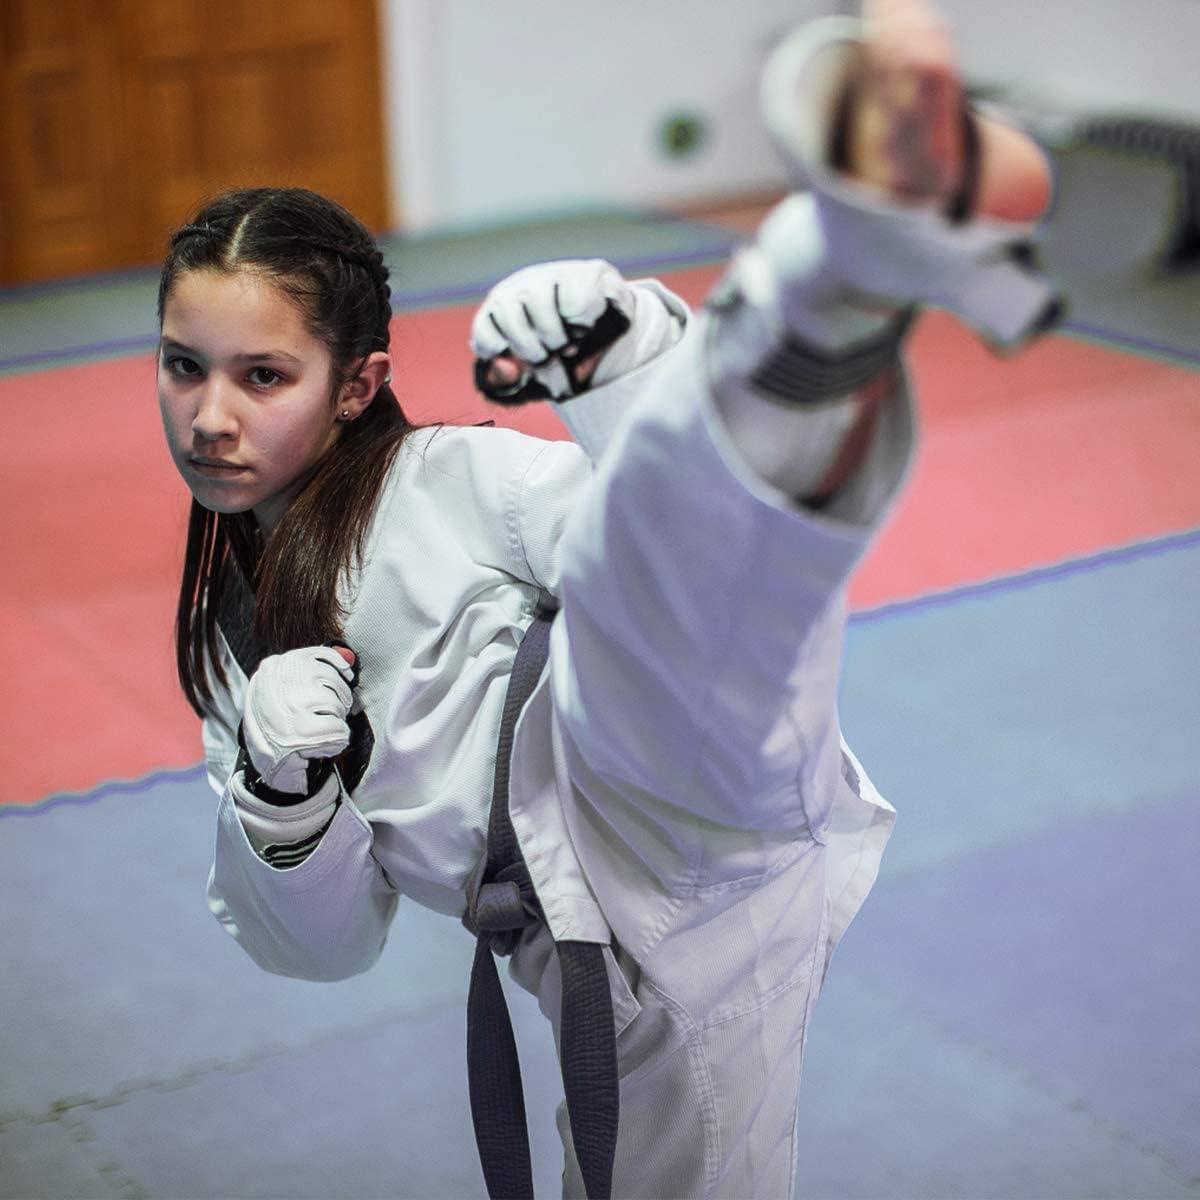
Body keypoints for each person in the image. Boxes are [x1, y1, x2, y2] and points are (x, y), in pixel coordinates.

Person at [158, 2, 1058, 1196]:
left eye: (261, 374)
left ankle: (824, 291)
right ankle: (830, 298)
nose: (211, 414)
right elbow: (328, 948)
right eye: (183, 366)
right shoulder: (232, 651)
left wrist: (633, 372)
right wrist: (281, 806)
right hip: (586, 943)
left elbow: (654, 554)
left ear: (357, 382)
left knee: (649, 604)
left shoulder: (452, 479)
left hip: (656, 810)